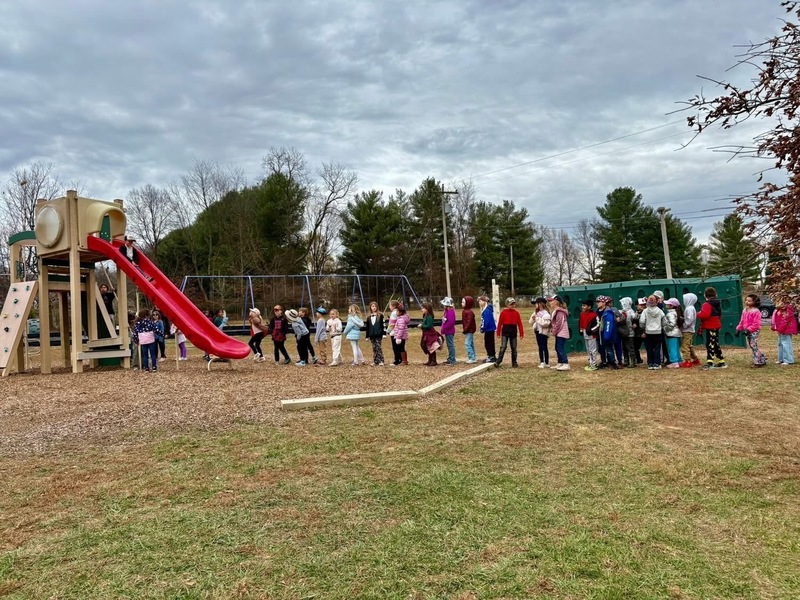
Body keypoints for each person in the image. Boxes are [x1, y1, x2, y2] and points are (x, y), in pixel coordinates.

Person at [697, 287, 727, 369]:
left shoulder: (706, 304)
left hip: (710, 326)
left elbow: (705, 315)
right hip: (716, 325)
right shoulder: (717, 303)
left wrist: (698, 314)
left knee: (710, 344)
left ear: (705, 295)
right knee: (715, 343)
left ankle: (710, 362)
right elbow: (719, 314)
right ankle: (721, 361)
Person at [737, 293, 767, 367]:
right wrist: (738, 329)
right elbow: (742, 321)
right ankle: (762, 358)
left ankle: (757, 362)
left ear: (754, 302)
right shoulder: (745, 310)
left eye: (749, 301)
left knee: (753, 345)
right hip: (747, 330)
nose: (747, 302)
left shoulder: (756, 311)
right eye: (746, 300)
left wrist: (748, 330)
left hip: (754, 330)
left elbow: (756, 324)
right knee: (752, 345)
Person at [495, 297, 524, 368]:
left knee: (514, 348)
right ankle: (498, 361)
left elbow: (519, 323)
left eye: (514, 304)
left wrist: (521, 333)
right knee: (503, 347)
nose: (513, 306)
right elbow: (500, 323)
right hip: (505, 332)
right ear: (507, 305)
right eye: (511, 304)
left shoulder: (516, 313)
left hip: (513, 332)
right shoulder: (503, 313)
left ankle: (514, 362)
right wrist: (498, 333)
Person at [640, 295, 666, 370]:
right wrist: (661, 327)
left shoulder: (645, 311)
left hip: (648, 332)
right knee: (657, 348)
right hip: (658, 331)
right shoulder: (660, 311)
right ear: (656, 302)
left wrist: (643, 329)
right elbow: (664, 321)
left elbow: (642, 321)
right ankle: (657, 363)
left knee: (649, 348)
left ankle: (650, 363)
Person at [596, 296, 619, 370]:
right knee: (601, 349)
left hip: (606, 333)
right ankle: (604, 362)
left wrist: (607, 335)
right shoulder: (597, 312)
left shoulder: (608, 312)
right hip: (599, 333)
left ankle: (612, 363)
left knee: (609, 349)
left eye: (598, 302)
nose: (597, 303)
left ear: (604, 303)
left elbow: (609, 324)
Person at [771, 298, 797, 365]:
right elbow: (775, 320)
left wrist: (779, 330)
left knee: (786, 344)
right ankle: (781, 359)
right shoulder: (778, 310)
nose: (782, 305)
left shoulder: (787, 311)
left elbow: (785, 321)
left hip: (786, 330)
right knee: (780, 344)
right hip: (781, 330)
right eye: (780, 303)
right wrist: (776, 328)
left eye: (784, 303)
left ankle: (788, 360)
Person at [132, 308, 159, 372]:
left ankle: (146, 368)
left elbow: (135, 333)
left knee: (145, 355)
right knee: (153, 354)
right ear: (147, 315)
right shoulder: (150, 322)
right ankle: (154, 367)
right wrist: (162, 334)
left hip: (143, 340)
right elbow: (156, 330)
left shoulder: (138, 323)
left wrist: (136, 341)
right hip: (150, 340)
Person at [679, 293, 701, 368]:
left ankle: (687, 361)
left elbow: (689, 319)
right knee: (689, 346)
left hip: (687, 330)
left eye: (684, 299)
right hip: (689, 330)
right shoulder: (691, 308)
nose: (683, 301)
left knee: (685, 346)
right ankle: (695, 359)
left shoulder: (689, 309)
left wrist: (684, 325)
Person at [529, 297, 551, 368]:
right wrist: (533, 318)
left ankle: (546, 362)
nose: (535, 305)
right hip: (537, 331)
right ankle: (542, 361)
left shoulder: (546, 313)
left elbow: (545, 324)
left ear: (541, 304)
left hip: (543, 333)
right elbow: (530, 322)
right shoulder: (536, 312)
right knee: (540, 347)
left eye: (536, 303)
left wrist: (537, 318)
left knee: (544, 346)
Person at [550, 295, 571, 371]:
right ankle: (560, 362)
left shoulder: (560, 312)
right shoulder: (556, 311)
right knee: (557, 347)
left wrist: (554, 331)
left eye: (551, 301)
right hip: (559, 333)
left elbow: (559, 323)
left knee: (560, 348)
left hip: (561, 333)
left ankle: (565, 363)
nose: (550, 302)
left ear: (556, 302)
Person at [419, 302, 442, 367]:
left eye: (423, 308)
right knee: (427, 346)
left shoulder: (429, 317)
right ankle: (430, 360)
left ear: (427, 309)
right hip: (426, 333)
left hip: (430, 334)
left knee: (431, 346)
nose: (422, 309)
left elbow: (429, 325)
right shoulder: (425, 316)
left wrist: (422, 326)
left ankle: (434, 361)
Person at [578, 299, 598, 371]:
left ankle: (594, 364)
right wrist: (581, 330)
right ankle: (590, 362)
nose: (582, 307)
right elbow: (581, 323)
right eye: (582, 305)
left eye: (584, 305)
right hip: (585, 334)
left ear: (589, 307)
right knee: (588, 349)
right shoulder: (582, 314)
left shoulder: (594, 315)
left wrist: (591, 331)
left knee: (593, 350)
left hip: (592, 335)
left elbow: (598, 324)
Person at [663, 298, 683, 368]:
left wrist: (665, 329)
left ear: (671, 306)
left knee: (672, 348)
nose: (666, 305)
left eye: (668, 304)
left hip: (671, 333)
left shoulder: (670, 314)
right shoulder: (676, 313)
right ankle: (679, 360)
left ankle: (674, 362)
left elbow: (671, 324)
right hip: (676, 333)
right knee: (676, 347)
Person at [365, 301, 385, 366]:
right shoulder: (368, 317)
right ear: (370, 307)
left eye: (375, 306)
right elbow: (367, 327)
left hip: (378, 334)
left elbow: (383, 325)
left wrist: (384, 334)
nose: (374, 307)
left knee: (378, 347)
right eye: (372, 306)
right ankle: (375, 361)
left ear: (377, 307)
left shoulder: (380, 315)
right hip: (372, 335)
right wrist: (367, 336)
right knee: (374, 348)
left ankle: (381, 360)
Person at [478, 295, 497, 363]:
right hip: (489, 329)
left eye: (480, 301)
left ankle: (491, 356)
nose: (479, 302)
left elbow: (487, 321)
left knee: (488, 343)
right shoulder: (486, 310)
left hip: (489, 329)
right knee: (489, 343)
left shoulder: (487, 311)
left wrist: (483, 328)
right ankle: (491, 355)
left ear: (484, 302)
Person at [440, 297, 457, 365]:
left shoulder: (450, 312)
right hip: (447, 331)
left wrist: (444, 328)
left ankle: (452, 359)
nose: (443, 306)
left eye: (444, 305)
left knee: (450, 345)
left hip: (449, 331)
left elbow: (451, 322)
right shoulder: (446, 312)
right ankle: (450, 358)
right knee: (449, 345)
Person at [461, 296, 477, 364]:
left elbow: (469, 322)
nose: (461, 303)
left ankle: (472, 358)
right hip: (468, 330)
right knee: (471, 343)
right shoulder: (465, 311)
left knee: (467, 343)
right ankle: (473, 357)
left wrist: (465, 329)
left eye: (463, 302)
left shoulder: (469, 312)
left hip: (469, 330)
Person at [632, 298, 646, 365]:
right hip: (637, 333)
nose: (642, 306)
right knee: (635, 347)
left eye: (643, 305)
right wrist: (633, 323)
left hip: (645, 332)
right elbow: (633, 321)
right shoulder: (634, 313)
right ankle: (638, 359)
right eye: (640, 305)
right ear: (636, 305)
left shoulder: (646, 312)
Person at [387, 300, 401, 366]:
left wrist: (388, 331)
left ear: (394, 306)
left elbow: (392, 324)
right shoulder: (398, 312)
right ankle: (401, 359)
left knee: (395, 347)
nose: (389, 307)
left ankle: (396, 360)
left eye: (390, 306)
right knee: (399, 347)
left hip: (394, 332)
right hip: (398, 331)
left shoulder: (393, 313)